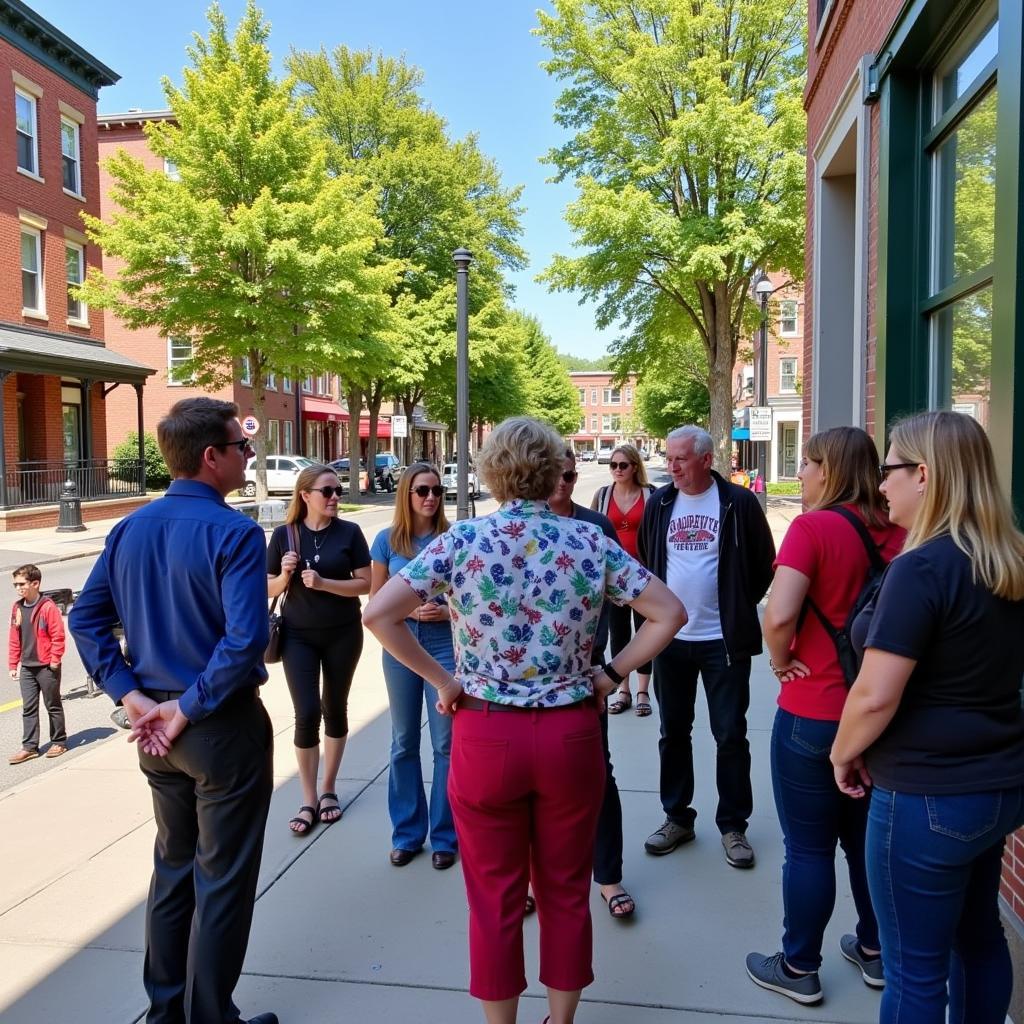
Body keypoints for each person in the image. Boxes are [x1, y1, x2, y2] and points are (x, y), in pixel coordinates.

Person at [364, 417, 686, 1024]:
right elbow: (668, 612)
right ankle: (559, 1021)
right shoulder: (590, 543)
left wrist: (444, 680)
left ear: (491, 470)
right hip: (570, 733)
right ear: (552, 472)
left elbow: (380, 614)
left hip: (486, 733)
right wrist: (611, 675)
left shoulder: (462, 543)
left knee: (493, 898)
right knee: (566, 890)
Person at [68, 397, 277, 1024]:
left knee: (173, 868)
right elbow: (244, 640)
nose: (246, 456)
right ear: (211, 457)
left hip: (159, 733)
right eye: (240, 447)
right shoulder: (235, 532)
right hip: (217, 729)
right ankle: (211, 1016)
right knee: (222, 881)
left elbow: (88, 619)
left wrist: (133, 697)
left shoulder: (132, 527)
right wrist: (181, 709)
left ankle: (165, 1012)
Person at [831, 411, 1024, 1024]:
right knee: (979, 938)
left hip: (926, 795)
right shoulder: (1009, 561)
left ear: (925, 475)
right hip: (996, 788)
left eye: (888, 470)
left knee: (915, 971)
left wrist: (841, 752)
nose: (880, 485)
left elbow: (874, 696)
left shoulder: (923, 568)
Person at [745, 427, 905, 1005]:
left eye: (810, 464)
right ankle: (875, 949)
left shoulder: (812, 529)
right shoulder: (904, 535)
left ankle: (799, 965)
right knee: (867, 842)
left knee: (809, 847)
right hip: (881, 719)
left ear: (829, 470)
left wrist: (781, 660)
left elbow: (779, 615)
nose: (805, 474)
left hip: (814, 712)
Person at [638, 424, 775, 868]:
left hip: (723, 642)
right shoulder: (660, 503)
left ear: (705, 459)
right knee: (672, 733)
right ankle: (677, 817)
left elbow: (762, 565)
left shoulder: (739, 503)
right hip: (671, 640)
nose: (671, 466)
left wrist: (736, 606)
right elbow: (647, 561)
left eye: (680, 458)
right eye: (669, 457)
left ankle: (733, 825)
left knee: (730, 735)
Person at [550, 448, 634, 919]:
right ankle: (531, 877)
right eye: (554, 475)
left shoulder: (594, 529)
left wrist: (613, 673)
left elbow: (639, 598)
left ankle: (608, 876)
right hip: (525, 681)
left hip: (585, 672)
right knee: (533, 786)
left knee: (597, 773)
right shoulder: (513, 527)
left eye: (569, 475)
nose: (563, 482)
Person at [267, 463, 371, 835]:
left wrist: (325, 582)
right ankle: (308, 798)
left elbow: (365, 584)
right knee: (306, 711)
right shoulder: (284, 535)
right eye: (327, 491)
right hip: (298, 636)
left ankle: (329, 789)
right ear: (305, 495)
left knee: (334, 707)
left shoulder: (350, 532)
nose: (334, 498)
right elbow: (268, 589)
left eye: (337, 491)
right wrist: (284, 575)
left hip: (343, 633)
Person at [370, 462, 457, 869]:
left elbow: (474, 603)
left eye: (437, 491)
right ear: (406, 493)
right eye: (423, 490)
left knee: (446, 745)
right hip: (402, 650)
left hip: (443, 649)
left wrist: (448, 614)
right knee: (404, 741)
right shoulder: (386, 542)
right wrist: (408, 615)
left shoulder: (453, 538)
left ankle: (445, 836)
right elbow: (375, 604)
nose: (431, 498)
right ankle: (407, 834)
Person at [590, 443, 656, 717]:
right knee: (618, 633)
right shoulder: (604, 495)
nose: (617, 470)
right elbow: (592, 530)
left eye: (623, 465)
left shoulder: (650, 494)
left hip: (643, 575)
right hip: (613, 578)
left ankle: (643, 690)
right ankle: (623, 689)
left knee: (644, 631)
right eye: (613, 465)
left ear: (634, 467)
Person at [8, 563, 67, 763]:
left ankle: (59, 741)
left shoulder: (48, 607)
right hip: (27, 666)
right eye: (15, 585)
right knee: (28, 708)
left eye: (22, 584)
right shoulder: (17, 607)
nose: (18, 588)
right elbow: (14, 638)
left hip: (46, 666)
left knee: (53, 705)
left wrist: (54, 660)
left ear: (35, 583)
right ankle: (29, 747)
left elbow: (58, 636)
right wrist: (12, 664)